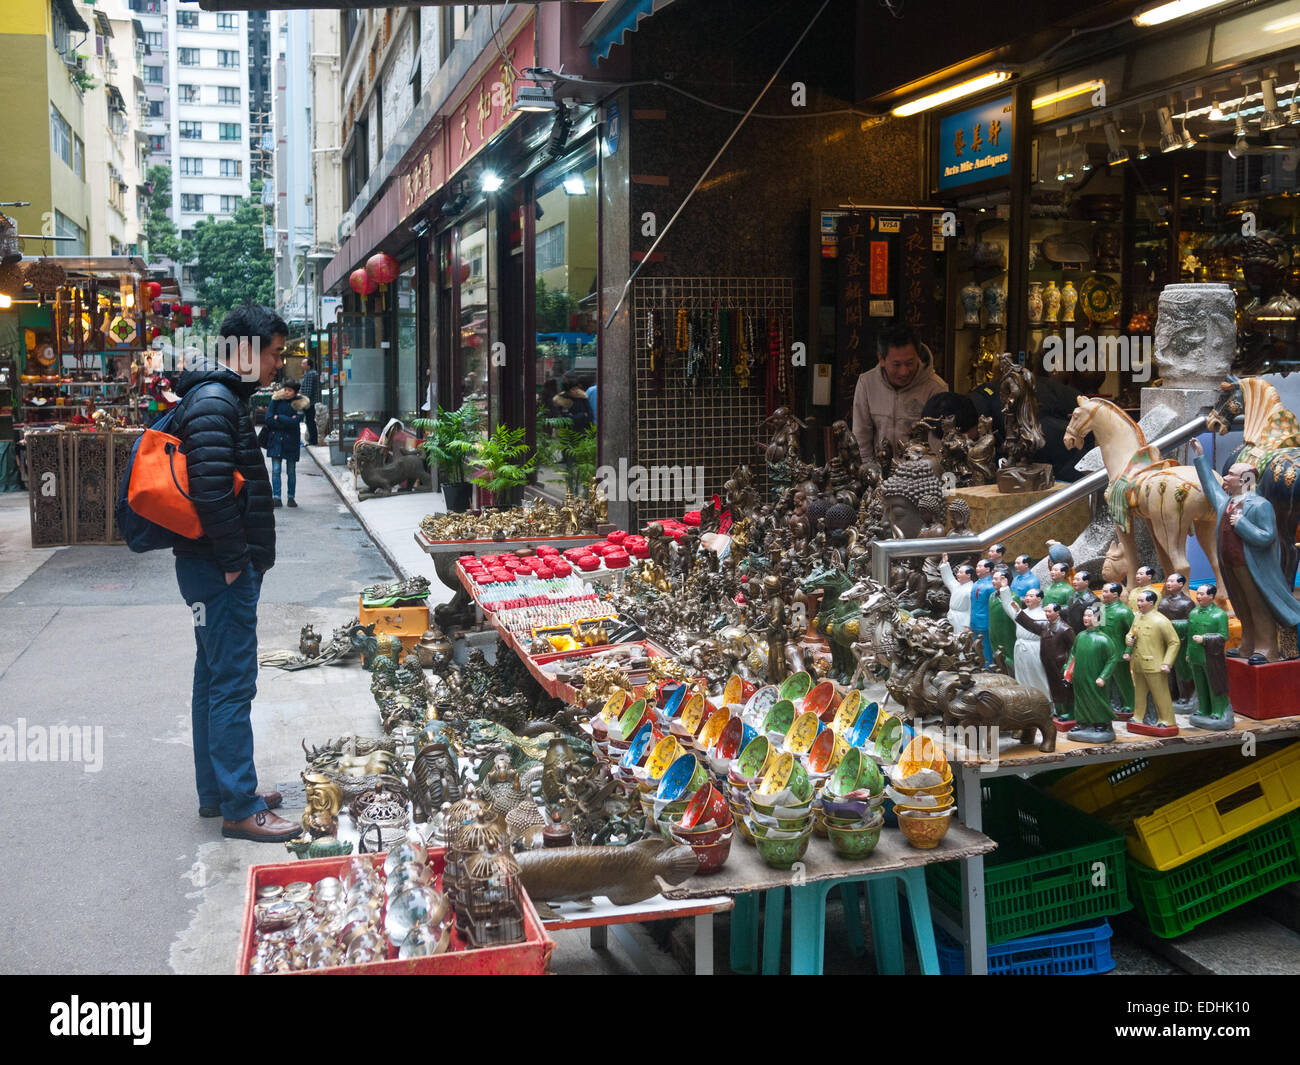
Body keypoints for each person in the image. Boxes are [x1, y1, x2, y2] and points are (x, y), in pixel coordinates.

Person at [171, 305, 300, 842]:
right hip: (216, 569)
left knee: (212, 677)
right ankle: (240, 807)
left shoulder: (217, 397)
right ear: (245, 351)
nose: (278, 365)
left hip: (208, 566)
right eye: (274, 353)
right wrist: (232, 563)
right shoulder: (215, 402)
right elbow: (209, 490)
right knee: (232, 684)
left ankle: (219, 792)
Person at [1191, 438, 1300, 662]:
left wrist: (1241, 524)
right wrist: (1200, 457)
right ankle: (1247, 645)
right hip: (1232, 565)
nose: (1226, 478)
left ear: (1245, 480)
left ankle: (1266, 648)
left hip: (1253, 567)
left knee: (1258, 606)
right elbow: (1211, 488)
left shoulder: (1260, 505)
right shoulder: (1227, 503)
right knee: (1242, 606)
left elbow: (1267, 536)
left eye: (1231, 474)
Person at [851, 324, 947, 467]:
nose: (904, 371)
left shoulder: (935, 388)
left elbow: (938, 445)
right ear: (881, 359)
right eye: (896, 365)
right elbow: (861, 438)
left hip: (919, 476)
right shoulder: (867, 383)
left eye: (910, 363)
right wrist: (868, 472)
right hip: (879, 473)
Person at [1125, 589, 1181, 733]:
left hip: (1155, 664)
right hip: (1138, 662)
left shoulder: (1161, 620)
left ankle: (1166, 719)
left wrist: (1167, 662)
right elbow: (1131, 633)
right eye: (1138, 601)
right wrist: (1129, 640)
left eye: (1142, 601)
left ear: (1151, 603)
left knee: (1160, 693)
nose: (1139, 604)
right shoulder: (1137, 617)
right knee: (1139, 692)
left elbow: (1174, 642)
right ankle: (1138, 716)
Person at [1009, 598, 1076, 719]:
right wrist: (1019, 610)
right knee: (1054, 688)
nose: (1047, 614)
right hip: (1048, 663)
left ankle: (1069, 712)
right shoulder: (1045, 625)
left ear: (1057, 613)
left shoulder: (1065, 629)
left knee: (1065, 689)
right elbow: (1031, 623)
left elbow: (1074, 648)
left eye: (1050, 612)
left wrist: (1069, 665)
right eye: (1046, 611)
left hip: (1061, 664)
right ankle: (1058, 710)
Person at [1064, 603, 1121, 743]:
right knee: (1080, 698)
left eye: (1089, 615)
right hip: (1080, 675)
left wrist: (1103, 676)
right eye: (1085, 615)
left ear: (1098, 617)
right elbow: (1073, 654)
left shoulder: (1104, 639)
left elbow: (1112, 660)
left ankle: (1101, 722)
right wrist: (1068, 670)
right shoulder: (1080, 637)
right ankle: (1082, 722)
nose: (1086, 618)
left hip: (1096, 676)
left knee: (1097, 699)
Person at [1187, 583, 1232, 730]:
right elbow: (1189, 635)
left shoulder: (1219, 615)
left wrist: (1205, 639)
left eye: (1202, 594)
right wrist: (1188, 652)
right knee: (1200, 685)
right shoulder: (1193, 613)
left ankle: (1218, 711)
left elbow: (1224, 636)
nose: (1198, 596)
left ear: (1211, 596)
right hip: (1195, 656)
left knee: (1214, 685)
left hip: (1211, 658)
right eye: (1198, 594)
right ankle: (1203, 708)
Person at [998, 584, 1052, 701]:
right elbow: (1007, 605)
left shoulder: (1044, 615)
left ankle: (1045, 702)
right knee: (1021, 675)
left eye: (1031, 596)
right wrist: (1004, 589)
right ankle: (1026, 701)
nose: (1027, 598)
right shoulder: (1021, 612)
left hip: (1035, 647)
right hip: (1020, 647)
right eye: (1026, 595)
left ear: (1039, 599)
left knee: (1038, 675)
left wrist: (1019, 611)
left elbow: (1036, 627)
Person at [266, 379, 307, 508]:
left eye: (290, 390)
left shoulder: (300, 403)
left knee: (291, 471)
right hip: (276, 439)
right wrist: (287, 420)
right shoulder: (276, 400)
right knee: (276, 470)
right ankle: (276, 497)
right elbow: (268, 419)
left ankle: (291, 497)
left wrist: (279, 417)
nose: (286, 392)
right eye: (285, 389)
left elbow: (296, 422)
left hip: (291, 440)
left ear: (295, 392)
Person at [1098, 582, 1135, 716]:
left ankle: (1129, 704)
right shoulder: (1099, 608)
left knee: (1123, 681)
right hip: (1102, 653)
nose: (1102, 594)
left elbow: (1133, 633)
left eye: (1105, 591)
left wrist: (1128, 651)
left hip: (1118, 653)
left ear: (1115, 595)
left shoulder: (1124, 611)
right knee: (1105, 681)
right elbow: (1096, 629)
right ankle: (1108, 704)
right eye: (1102, 591)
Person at [988, 568, 1019, 673]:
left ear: (1004, 580)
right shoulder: (992, 596)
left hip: (1008, 634)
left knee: (1009, 659)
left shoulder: (1013, 597)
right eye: (993, 578)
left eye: (996, 579)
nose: (993, 581)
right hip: (995, 633)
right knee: (997, 657)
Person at [969, 558, 996, 666]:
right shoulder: (976, 583)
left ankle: (988, 669)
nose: (977, 568)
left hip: (985, 622)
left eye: (980, 566)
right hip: (974, 621)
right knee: (977, 648)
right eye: (977, 566)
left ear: (988, 569)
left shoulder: (991, 585)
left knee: (986, 648)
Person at [939, 554, 973, 632]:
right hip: (952, 616)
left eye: (961, 573)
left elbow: (971, 609)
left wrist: (968, 625)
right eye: (958, 572)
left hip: (962, 619)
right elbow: (949, 579)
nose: (958, 574)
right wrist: (945, 564)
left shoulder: (971, 589)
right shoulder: (956, 586)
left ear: (968, 575)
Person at [299, 357, 321, 446]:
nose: (302, 365)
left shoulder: (310, 374)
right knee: (310, 420)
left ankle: (313, 440)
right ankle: (312, 439)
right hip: (311, 402)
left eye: (303, 363)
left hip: (309, 403)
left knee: (310, 421)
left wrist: (303, 401)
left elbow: (307, 390)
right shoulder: (309, 373)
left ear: (308, 365)